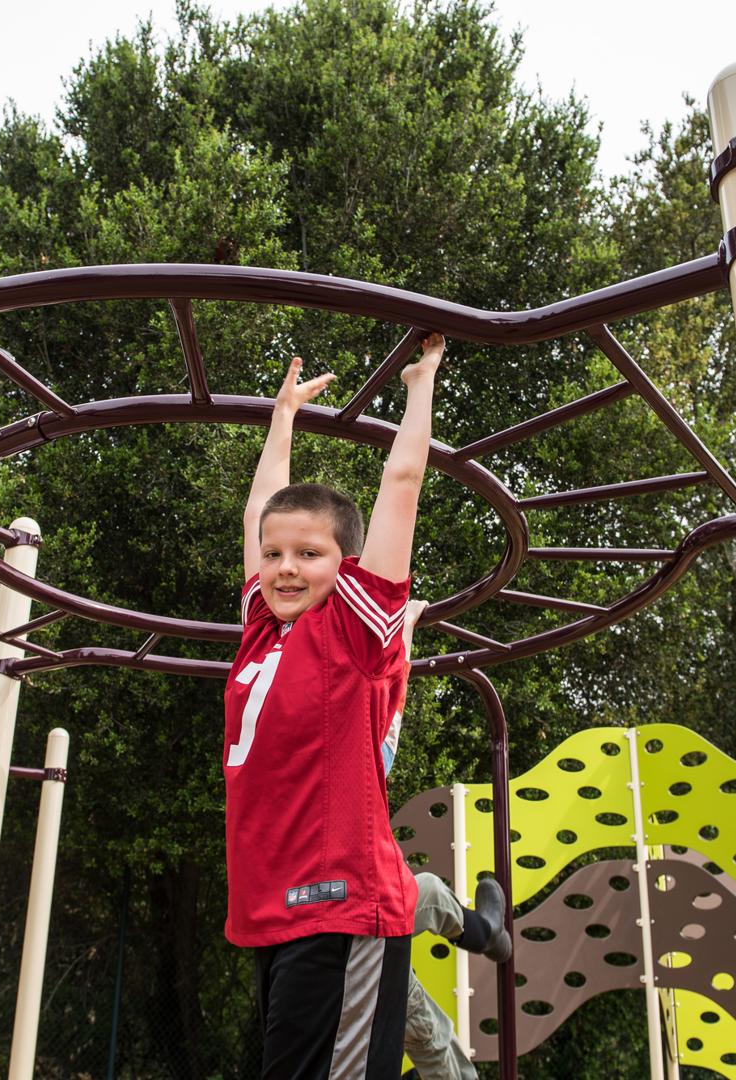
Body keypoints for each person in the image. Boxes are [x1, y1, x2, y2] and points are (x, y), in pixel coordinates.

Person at [225, 334, 445, 1079]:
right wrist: (281, 420)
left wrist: (420, 389)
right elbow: (263, 512)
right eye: (277, 555)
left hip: (342, 903)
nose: (286, 568)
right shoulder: (262, 635)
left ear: (344, 567)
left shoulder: (350, 633)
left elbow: (404, 483)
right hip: (279, 909)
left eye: (310, 556)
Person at [384, 600, 511, 1080]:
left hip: (369, 932)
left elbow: (389, 695)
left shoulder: (353, 763)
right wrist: (402, 630)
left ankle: (486, 932)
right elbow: (389, 693)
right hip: (351, 928)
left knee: (432, 893)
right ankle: (485, 933)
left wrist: (403, 630)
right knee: (431, 894)